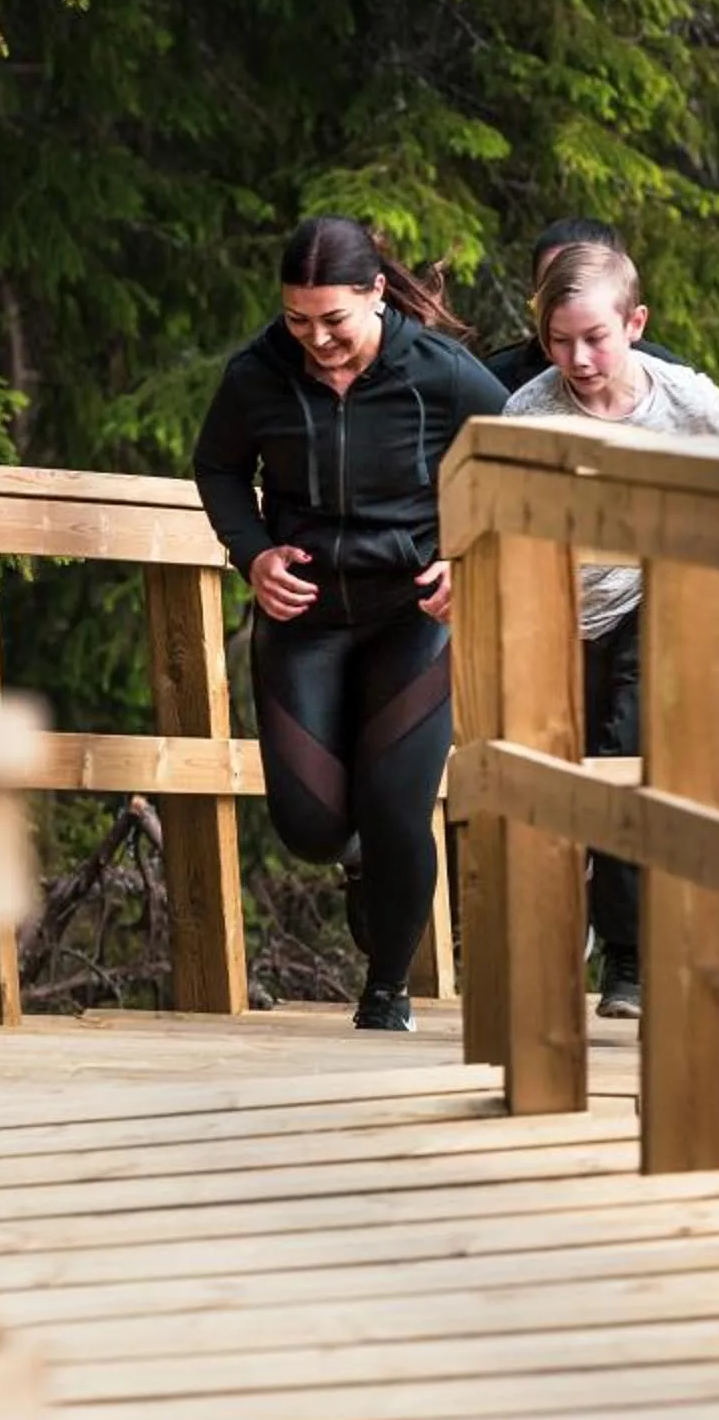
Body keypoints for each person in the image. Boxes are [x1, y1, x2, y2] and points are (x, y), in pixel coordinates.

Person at [192, 216, 511, 1032]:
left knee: (399, 807)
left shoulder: (441, 374)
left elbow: (518, 468)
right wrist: (252, 553)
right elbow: (220, 467)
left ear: (376, 294)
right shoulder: (259, 373)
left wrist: (471, 557)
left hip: (412, 614)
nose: (317, 340)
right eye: (299, 320)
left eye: (334, 319)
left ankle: (386, 991)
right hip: (305, 612)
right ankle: (358, 860)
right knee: (309, 825)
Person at [503, 241, 719, 1020]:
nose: (577, 358)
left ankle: (630, 960)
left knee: (623, 754)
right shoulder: (530, 409)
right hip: (552, 610)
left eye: (595, 337)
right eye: (559, 341)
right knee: (543, 772)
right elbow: (498, 504)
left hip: (653, 596)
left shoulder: (682, 400)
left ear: (635, 324)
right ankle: (547, 939)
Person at [484, 216, 680, 392]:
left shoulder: (674, 386)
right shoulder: (494, 381)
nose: (579, 358)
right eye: (553, 288)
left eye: (595, 338)